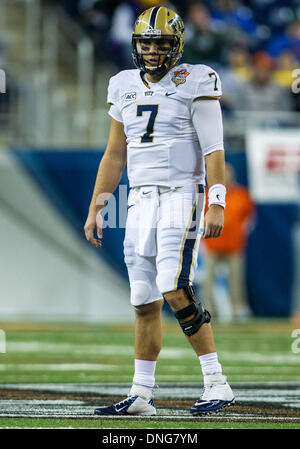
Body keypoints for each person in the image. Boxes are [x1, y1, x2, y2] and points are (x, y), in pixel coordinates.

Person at [84, 5, 235, 416]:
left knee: (173, 283)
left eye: (160, 43)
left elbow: (214, 149)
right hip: (138, 199)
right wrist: (99, 205)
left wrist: (216, 202)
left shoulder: (194, 79)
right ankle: (142, 394)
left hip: (181, 192)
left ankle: (217, 382)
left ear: (177, 45)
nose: (152, 50)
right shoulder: (122, 84)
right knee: (143, 297)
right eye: (146, 43)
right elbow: (115, 154)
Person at [202, 163, 255, 321]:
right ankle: (208, 310)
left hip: (234, 246)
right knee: (207, 281)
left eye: (228, 174)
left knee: (236, 280)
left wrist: (240, 235)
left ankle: (237, 309)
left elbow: (250, 220)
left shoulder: (242, 195)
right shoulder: (207, 195)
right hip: (212, 245)